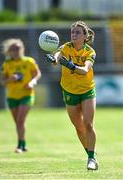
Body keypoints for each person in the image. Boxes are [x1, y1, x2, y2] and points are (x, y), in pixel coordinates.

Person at [46, 21, 98, 170]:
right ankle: (90, 152)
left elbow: (85, 70)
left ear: (85, 36)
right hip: (69, 91)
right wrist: (54, 59)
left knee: (88, 124)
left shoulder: (89, 52)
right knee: (79, 128)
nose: (74, 35)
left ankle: (91, 158)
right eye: (72, 32)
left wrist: (70, 65)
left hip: (87, 91)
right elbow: (57, 56)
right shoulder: (66, 47)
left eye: (77, 33)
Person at [0, 38, 41, 153]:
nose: (15, 51)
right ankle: (23, 144)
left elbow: (37, 74)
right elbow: (2, 82)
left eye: (18, 48)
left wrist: (32, 82)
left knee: (20, 120)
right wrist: (9, 79)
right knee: (18, 122)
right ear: (9, 51)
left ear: (22, 49)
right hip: (12, 96)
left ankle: (20, 146)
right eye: (13, 49)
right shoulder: (7, 64)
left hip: (26, 95)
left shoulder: (29, 61)